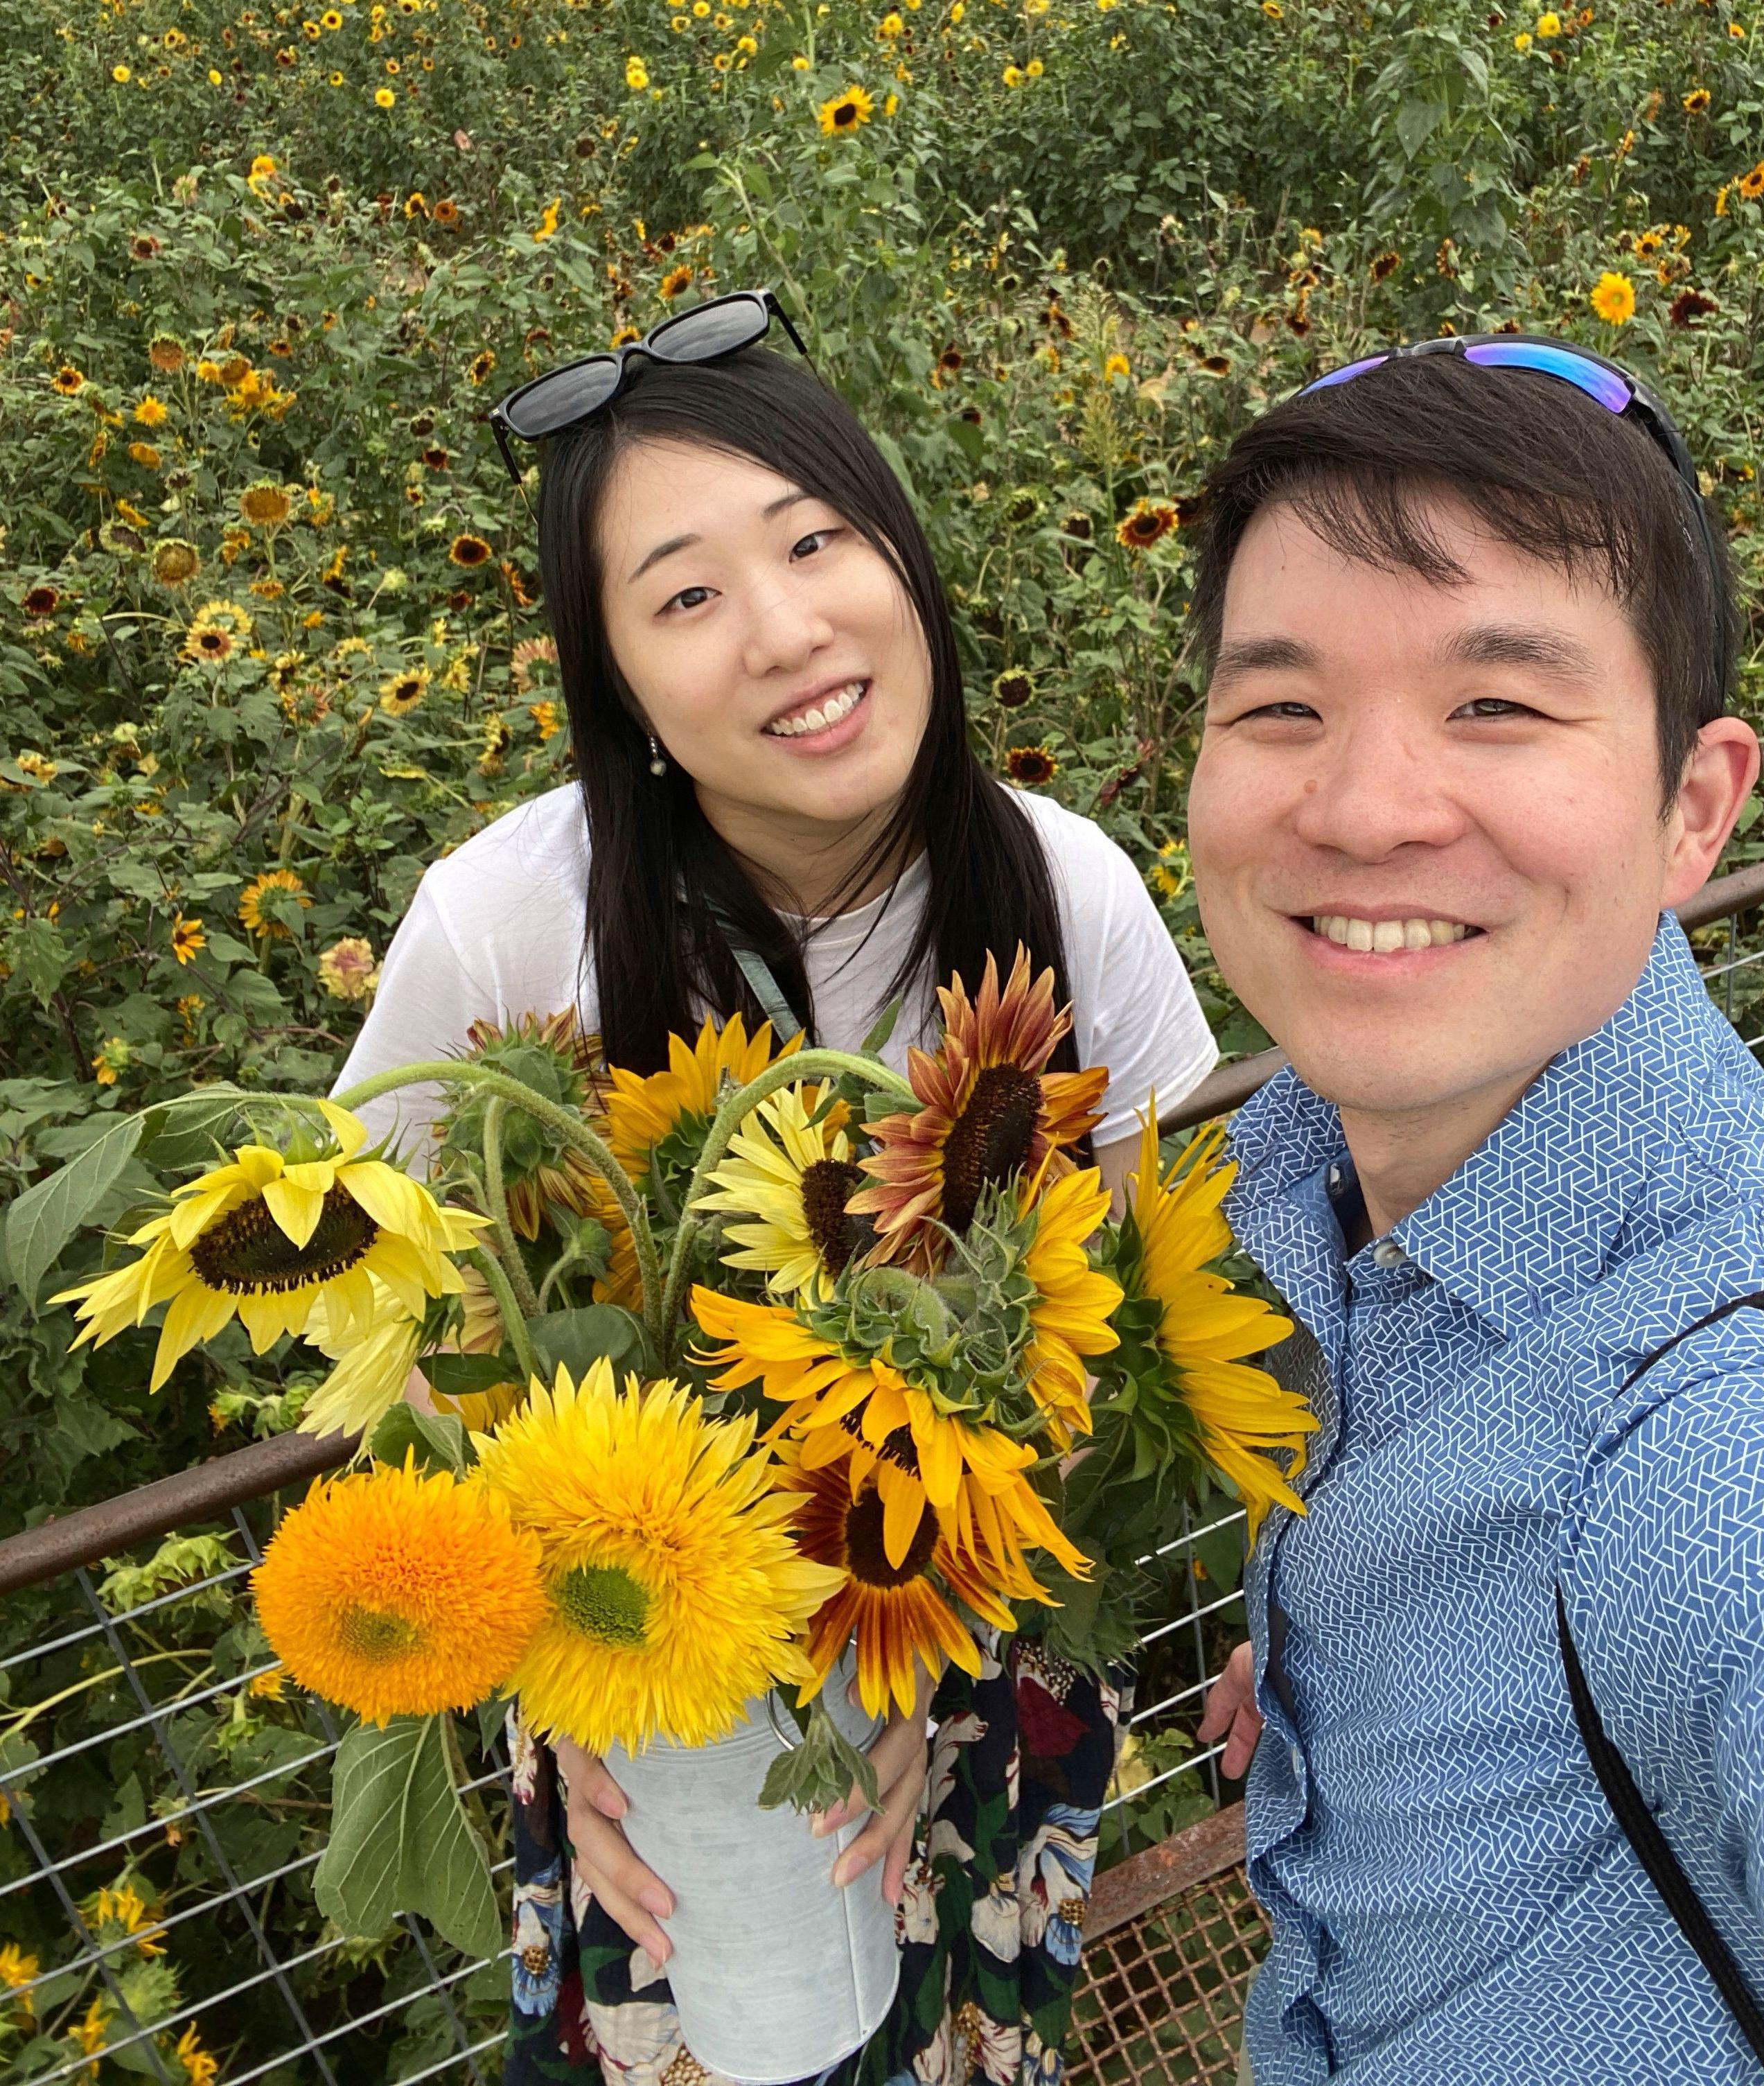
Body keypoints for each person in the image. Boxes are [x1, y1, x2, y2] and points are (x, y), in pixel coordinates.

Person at [333, 304, 1219, 2085]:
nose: (788, 628)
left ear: (900, 553)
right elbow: (402, 1335)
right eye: (685, 595)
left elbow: (1117, 1332)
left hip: (970, 1633)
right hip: (652, 1697)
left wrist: (920, 1646)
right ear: (620, 685)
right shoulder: (508, 933)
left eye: (815, 541)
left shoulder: (1065, 889)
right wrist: (568, 1691)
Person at [1185, 339, 1764, 2085]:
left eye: (1496, 705)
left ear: (1694, 808)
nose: (1361, 804)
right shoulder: (1300, 1174)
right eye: (1278, 705)